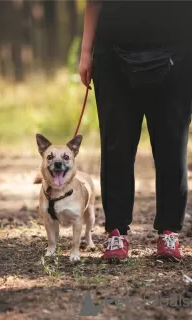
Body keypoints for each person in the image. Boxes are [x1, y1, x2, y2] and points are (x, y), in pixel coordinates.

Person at [79, 1, 192, 261]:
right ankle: (116, 233)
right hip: (112, 56)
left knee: (172, 144)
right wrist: (86, 52)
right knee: (116, 144)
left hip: (180, 55)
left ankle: (169, 233)